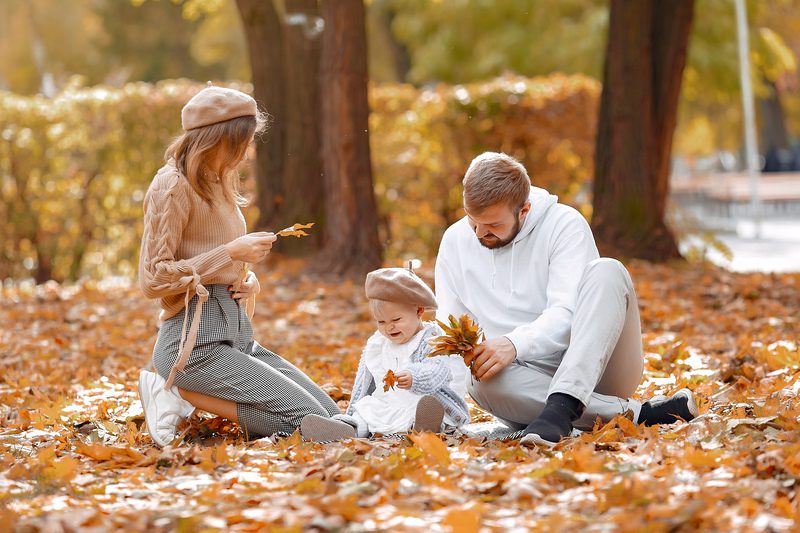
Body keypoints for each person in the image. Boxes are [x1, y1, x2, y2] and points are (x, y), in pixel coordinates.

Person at [434, 152, 697, 445]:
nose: (480, 233)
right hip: (525, 387)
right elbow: (450, 329)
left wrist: (514, 344)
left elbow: (567, 313)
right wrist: (449, 413)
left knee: (608, 271)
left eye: (493, 226)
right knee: (479, 379)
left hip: (600, 367)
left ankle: (563, 408)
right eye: (473, 222)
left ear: (524, 210)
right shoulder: (455, 241)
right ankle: (638, 413)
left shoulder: (564, 224)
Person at [137, 85, 340, 447]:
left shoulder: (218, 182)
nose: (249, 153)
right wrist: (230, 253)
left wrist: (246, 279)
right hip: (194, 347)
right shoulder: (172, 185)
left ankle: (366, 429)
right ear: (218, 140)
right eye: (243, 142)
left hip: (235, 337)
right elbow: (153, 277)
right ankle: (176, 389)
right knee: (310, 422)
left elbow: (216, 261)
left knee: (330, 414)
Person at [300, 267, 470, 441]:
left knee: (424, 408)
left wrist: (415, 376)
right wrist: (354, 408)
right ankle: (348, 430)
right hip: (387, 401)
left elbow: (439, 370)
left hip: (419, 399)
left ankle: (424, 427)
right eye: (381, 322)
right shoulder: (378, 343)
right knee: (367, 410)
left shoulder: (430, 337)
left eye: (396, 320)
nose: (389, 327)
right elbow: (364, 381)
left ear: (419, 311)